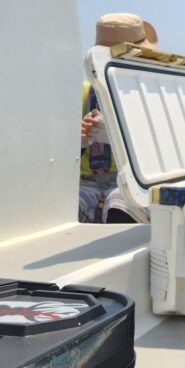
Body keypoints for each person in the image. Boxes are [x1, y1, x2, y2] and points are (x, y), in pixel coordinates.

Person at [78, 13, 158, 225]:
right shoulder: (83, 93)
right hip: (85, 183)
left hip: (129, 181)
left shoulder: (149, 97)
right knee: (70, 205)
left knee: (121, 204)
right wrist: (79, 141)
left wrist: (117, 136)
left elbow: (160, 153)